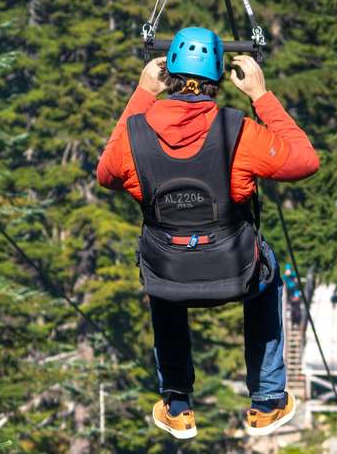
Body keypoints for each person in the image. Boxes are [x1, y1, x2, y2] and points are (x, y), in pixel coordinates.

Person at [96, 26, 319, 439]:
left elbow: (106, 172)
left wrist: (142, 96)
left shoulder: (136, 136)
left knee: (161, 268)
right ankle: (267, 400)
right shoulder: (239, 133)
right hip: (236, 271)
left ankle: (177, 403)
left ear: (171, 76)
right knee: (267, 272)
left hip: (170, 276)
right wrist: (261, 97)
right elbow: (304, 160)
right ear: (218, 78)